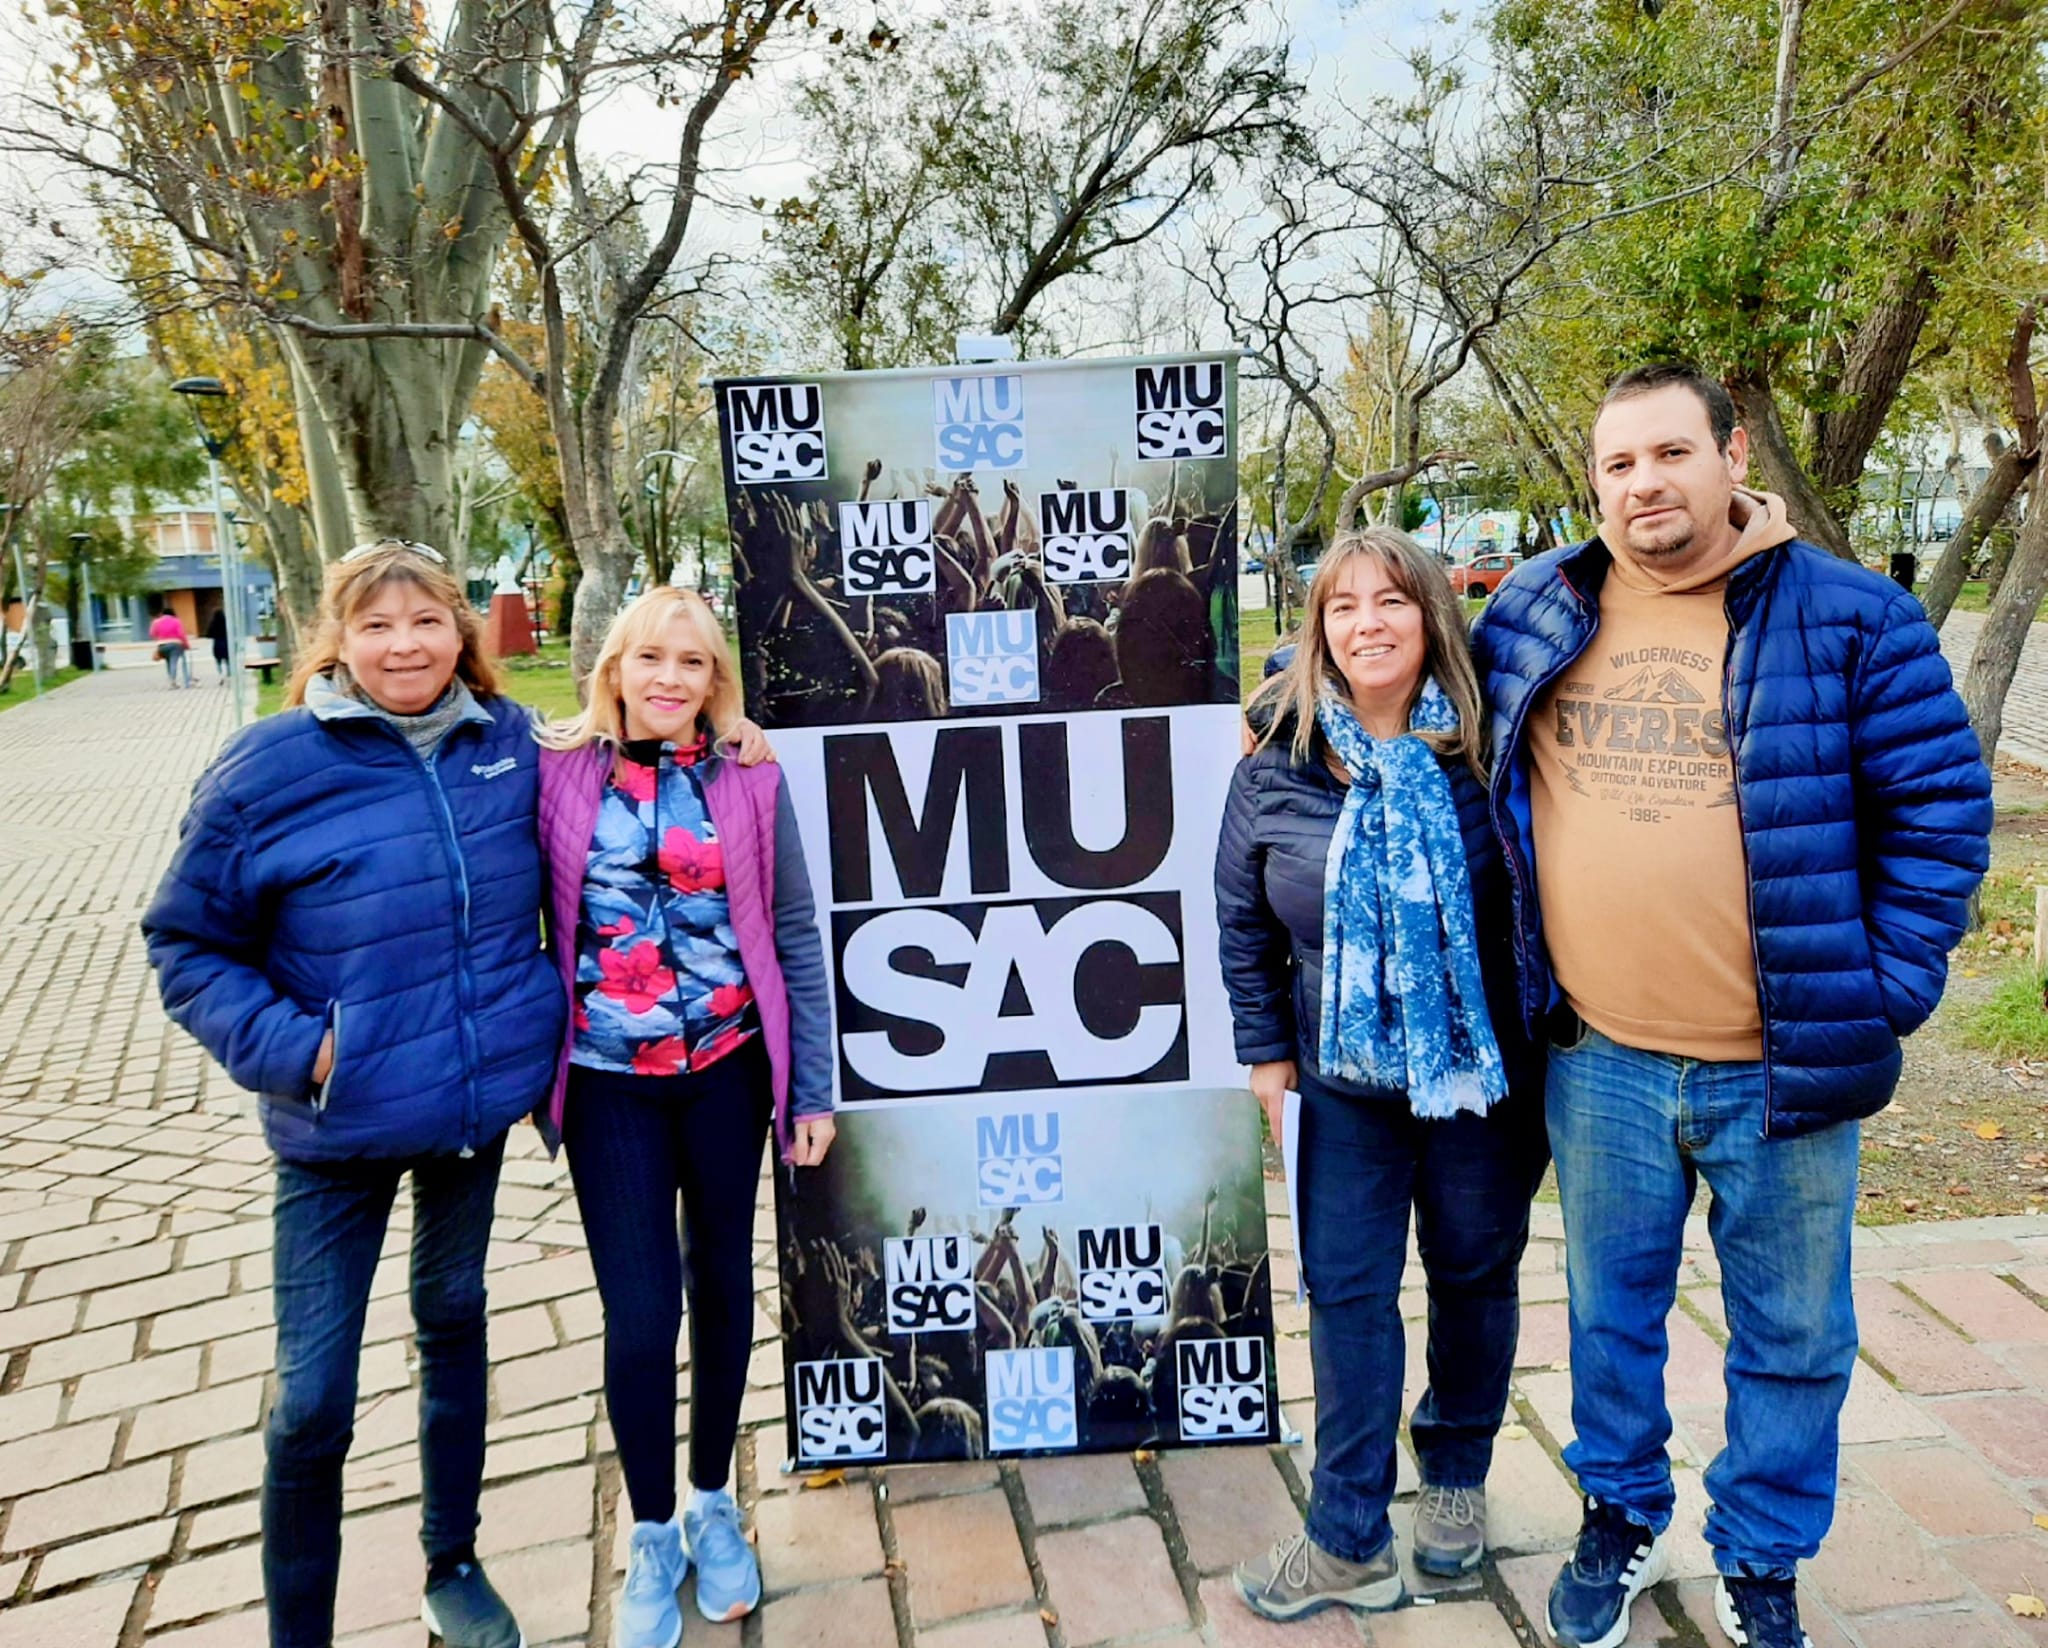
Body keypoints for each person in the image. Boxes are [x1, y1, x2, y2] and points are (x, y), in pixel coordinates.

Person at [1472, 363, 1993, 1648]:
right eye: (1615, 465)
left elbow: (1940, 818)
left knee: (1793, 1335)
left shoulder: (1852, 617)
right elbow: (1426, 709)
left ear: (1729, 452)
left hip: (1785, 1069)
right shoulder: (1542, 603)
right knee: (1608, 1316)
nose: (1641, 484)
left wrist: (1881, 994)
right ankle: (1619, 1512)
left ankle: (1760, 1557)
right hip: (1598, 1059)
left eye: (1667, 454)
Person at [143, 540, 566, 1648]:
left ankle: (452, 1559)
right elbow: (186, 943)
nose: (404, 645)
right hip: (335, 1130)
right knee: (313, 1398)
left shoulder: (510, 744)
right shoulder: (268, 770)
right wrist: (300, 1050)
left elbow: (634, 744)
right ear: (338, 639)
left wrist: (739, 735)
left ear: (459, 631)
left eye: (426, 621)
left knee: (455, 1320)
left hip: (469, 1113)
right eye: (376, 626)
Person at [1215, 528, 1546, 1621]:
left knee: (1470, 1275)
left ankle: (1453, 1477)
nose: (1366, 623)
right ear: (1315, 630)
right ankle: (1347, 1532)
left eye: (1391, 601)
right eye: (1341, 605)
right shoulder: (1276, 758)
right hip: (1337, 1087)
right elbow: (1239, 921)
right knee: (1348, 1295)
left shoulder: (1497, 745)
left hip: (1476, 1085)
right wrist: (1264, 1054)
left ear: (1432, 618)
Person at [535, 586, 835, 1647]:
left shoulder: (748, 774)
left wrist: (811, 1086)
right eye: (650, 657)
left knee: (721, 1286)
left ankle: (713, 1499)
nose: (670, 678)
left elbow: (794, 927)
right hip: (609, 1081)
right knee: (641, 1311)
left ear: (717, 683)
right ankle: (651, 1529)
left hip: (727, 1071)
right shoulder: (554, 769)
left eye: (694, 663)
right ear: (613, 665)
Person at [150, 607, 193, 687]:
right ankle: (182, 681)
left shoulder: (156, 622)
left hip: (162, 645)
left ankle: (172, 680)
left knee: (168, 662)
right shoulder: (176, 621)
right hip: (175, 644)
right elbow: (181, 634)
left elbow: (152, 634)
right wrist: (186, 644)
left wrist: (161, 638)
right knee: (175, 662)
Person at [207, 605, 231, 683]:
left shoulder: (212, 623)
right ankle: (229, 674)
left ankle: (221, 675)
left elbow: (208, 634)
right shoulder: (226, 622)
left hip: (217, 643)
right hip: (226, 643)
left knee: (218, 661)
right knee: (228, 660)